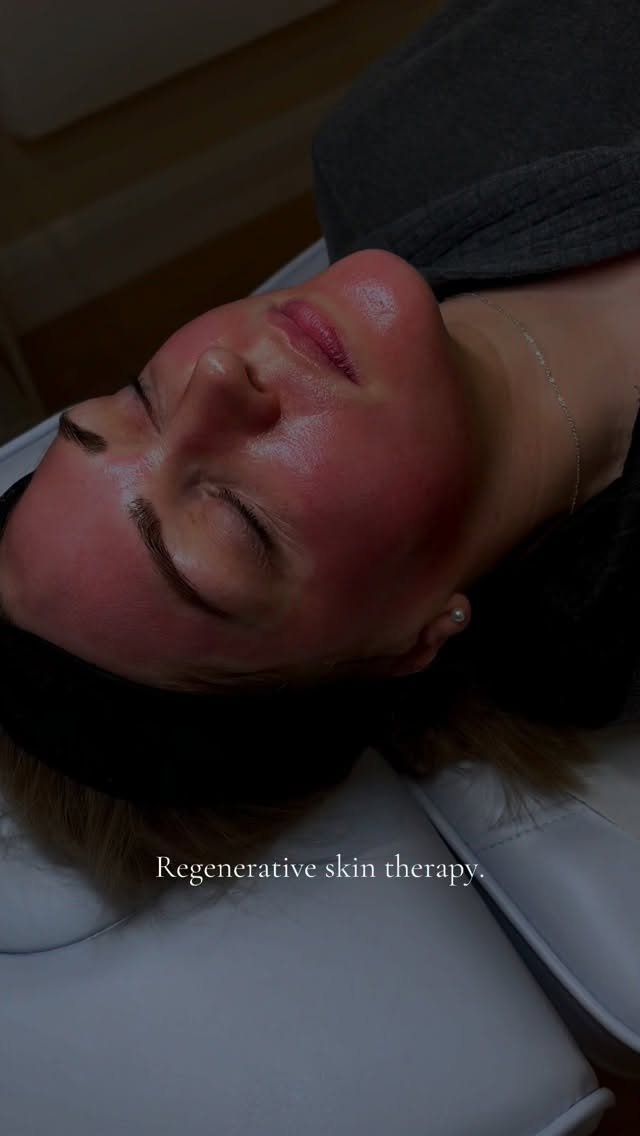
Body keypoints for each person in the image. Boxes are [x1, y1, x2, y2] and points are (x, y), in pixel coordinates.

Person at [2, 0, 640, 907]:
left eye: (138, 401)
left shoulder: (395, 143)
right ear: (403, 643)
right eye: (236, 518)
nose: (215, 377)